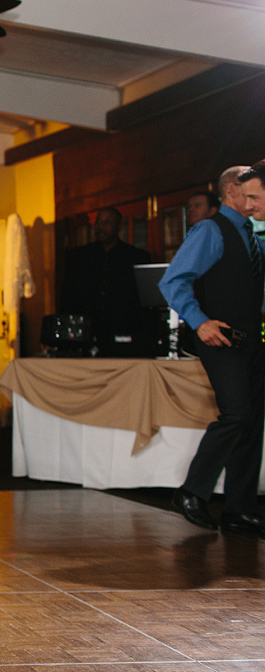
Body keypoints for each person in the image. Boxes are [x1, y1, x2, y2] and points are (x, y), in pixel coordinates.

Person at [161, 165, 265, 539]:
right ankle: (191, 492)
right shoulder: (210, 230)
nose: (253, 202)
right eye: (249, 195)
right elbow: (172, 281)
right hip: (220, 340)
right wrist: (199, 321)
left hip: (252, 342)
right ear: (233, 191)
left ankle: (239, 511)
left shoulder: (251, 236)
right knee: (236, 415)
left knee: (252, 423)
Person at [59, 207, 152, 356]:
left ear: (118, 227)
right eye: (98, 222)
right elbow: (68, 298)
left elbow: (144, 304)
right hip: (85, 340)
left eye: (107, 222)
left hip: (125, 341)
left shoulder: (136, 258)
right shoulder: (79, 257)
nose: (101, 227)